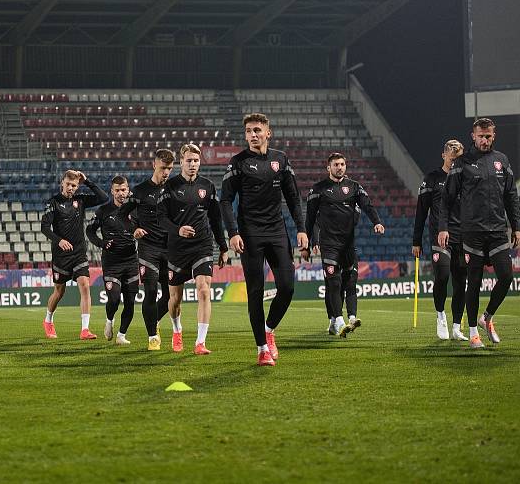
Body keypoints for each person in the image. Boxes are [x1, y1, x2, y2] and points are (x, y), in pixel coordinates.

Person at [220, 113, 307, 367]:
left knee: (287, 287)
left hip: (277, 231)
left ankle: (269, 329)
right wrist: (233, 232)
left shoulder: (280, 159)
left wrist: (301, 228)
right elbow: (225, 200)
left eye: (257, 130)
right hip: (249, 234)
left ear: (268, 132)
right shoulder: (238, 162)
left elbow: (293, 196)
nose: (253, 134)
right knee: (255, 292)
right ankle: (261, 348)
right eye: (248, 131)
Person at [439, 118, 520, 349]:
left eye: (488, 136)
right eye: (480, 136)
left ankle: (486, 317)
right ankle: (474, 332)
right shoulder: (461, 163)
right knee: (473, 282)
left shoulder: (502, 161)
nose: (484, 140)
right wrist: (443, 227)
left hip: (497, 231)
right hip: (472, 233)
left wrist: (516, 226)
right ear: (472, 136)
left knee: (506, 277)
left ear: (493, 136)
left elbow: (511, 196)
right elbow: (447, 199)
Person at [302, 152, 384, 338]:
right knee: (334, 281)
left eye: (342, 164)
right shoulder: (318, 189)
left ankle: (338, 320)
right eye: (336, 164)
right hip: (329, 244)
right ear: (328, 168)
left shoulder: (354, 187)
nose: (339, 167)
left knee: (348, 282)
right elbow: (310, 219)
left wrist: (376, 222)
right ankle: (339, 321)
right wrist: (308, 244)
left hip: (348, 244)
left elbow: (367, 205)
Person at [158, 143, 228, 355]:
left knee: (204, 289)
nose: (193, 164)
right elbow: (160, 218)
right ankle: (177, 330)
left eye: (196, 161)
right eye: (189, 160)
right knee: (175, 300)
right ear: (181, 162)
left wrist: (223, 247)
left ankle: (200, 342)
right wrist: (177, 230)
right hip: (177, 249)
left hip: (202, 246)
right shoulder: (169, 187)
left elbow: (216, 219)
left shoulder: (207, 186)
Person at [41, 170, 108, 340]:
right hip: (61, 255)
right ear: (62, 182)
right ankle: (48, 320)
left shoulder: (81, 200)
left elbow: (104, 198)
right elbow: (45, 227)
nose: (71, 188)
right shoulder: (53, 203)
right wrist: (59, 240)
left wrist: (88, 182)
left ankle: (85, 329)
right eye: (68, 184)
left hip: (79, 253)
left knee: (85, 285)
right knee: (59, 292)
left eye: (74, 186)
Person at [412, 140, 468, 341]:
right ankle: (441, 315)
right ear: (444, 155)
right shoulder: (432, 179)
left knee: (461, 283)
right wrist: (416, 241)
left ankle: (456, 327)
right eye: (452, 159)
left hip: (462, 238)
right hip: (439, 237)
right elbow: (421, 212)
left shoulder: (465, 179)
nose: (455, 163)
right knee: (443, 276)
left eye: (458, 159)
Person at [121, 149, 175, 350]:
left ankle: (155, 321)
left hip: (170, 249)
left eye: (169, 168)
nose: (166, 173)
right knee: (151, 291)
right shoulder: (140, 191)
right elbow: (121, 216)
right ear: (154, 165)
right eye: (163, 168)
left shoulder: (174, 189)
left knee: (170, 296)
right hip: (148, 249)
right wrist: (134, 229)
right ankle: (153, 336)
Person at [86, 176, 138, 346]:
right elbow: (90, 231)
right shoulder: (103, 211)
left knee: (130, 302)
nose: (121, 193)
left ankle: (121, 335)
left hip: (131, 262)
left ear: (128, 190)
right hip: (112, 263)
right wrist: (101, 243)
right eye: (117, 190)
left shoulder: (135, 210)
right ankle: (109, 320)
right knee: (114, 299)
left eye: (123, 190)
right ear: (112, 191)